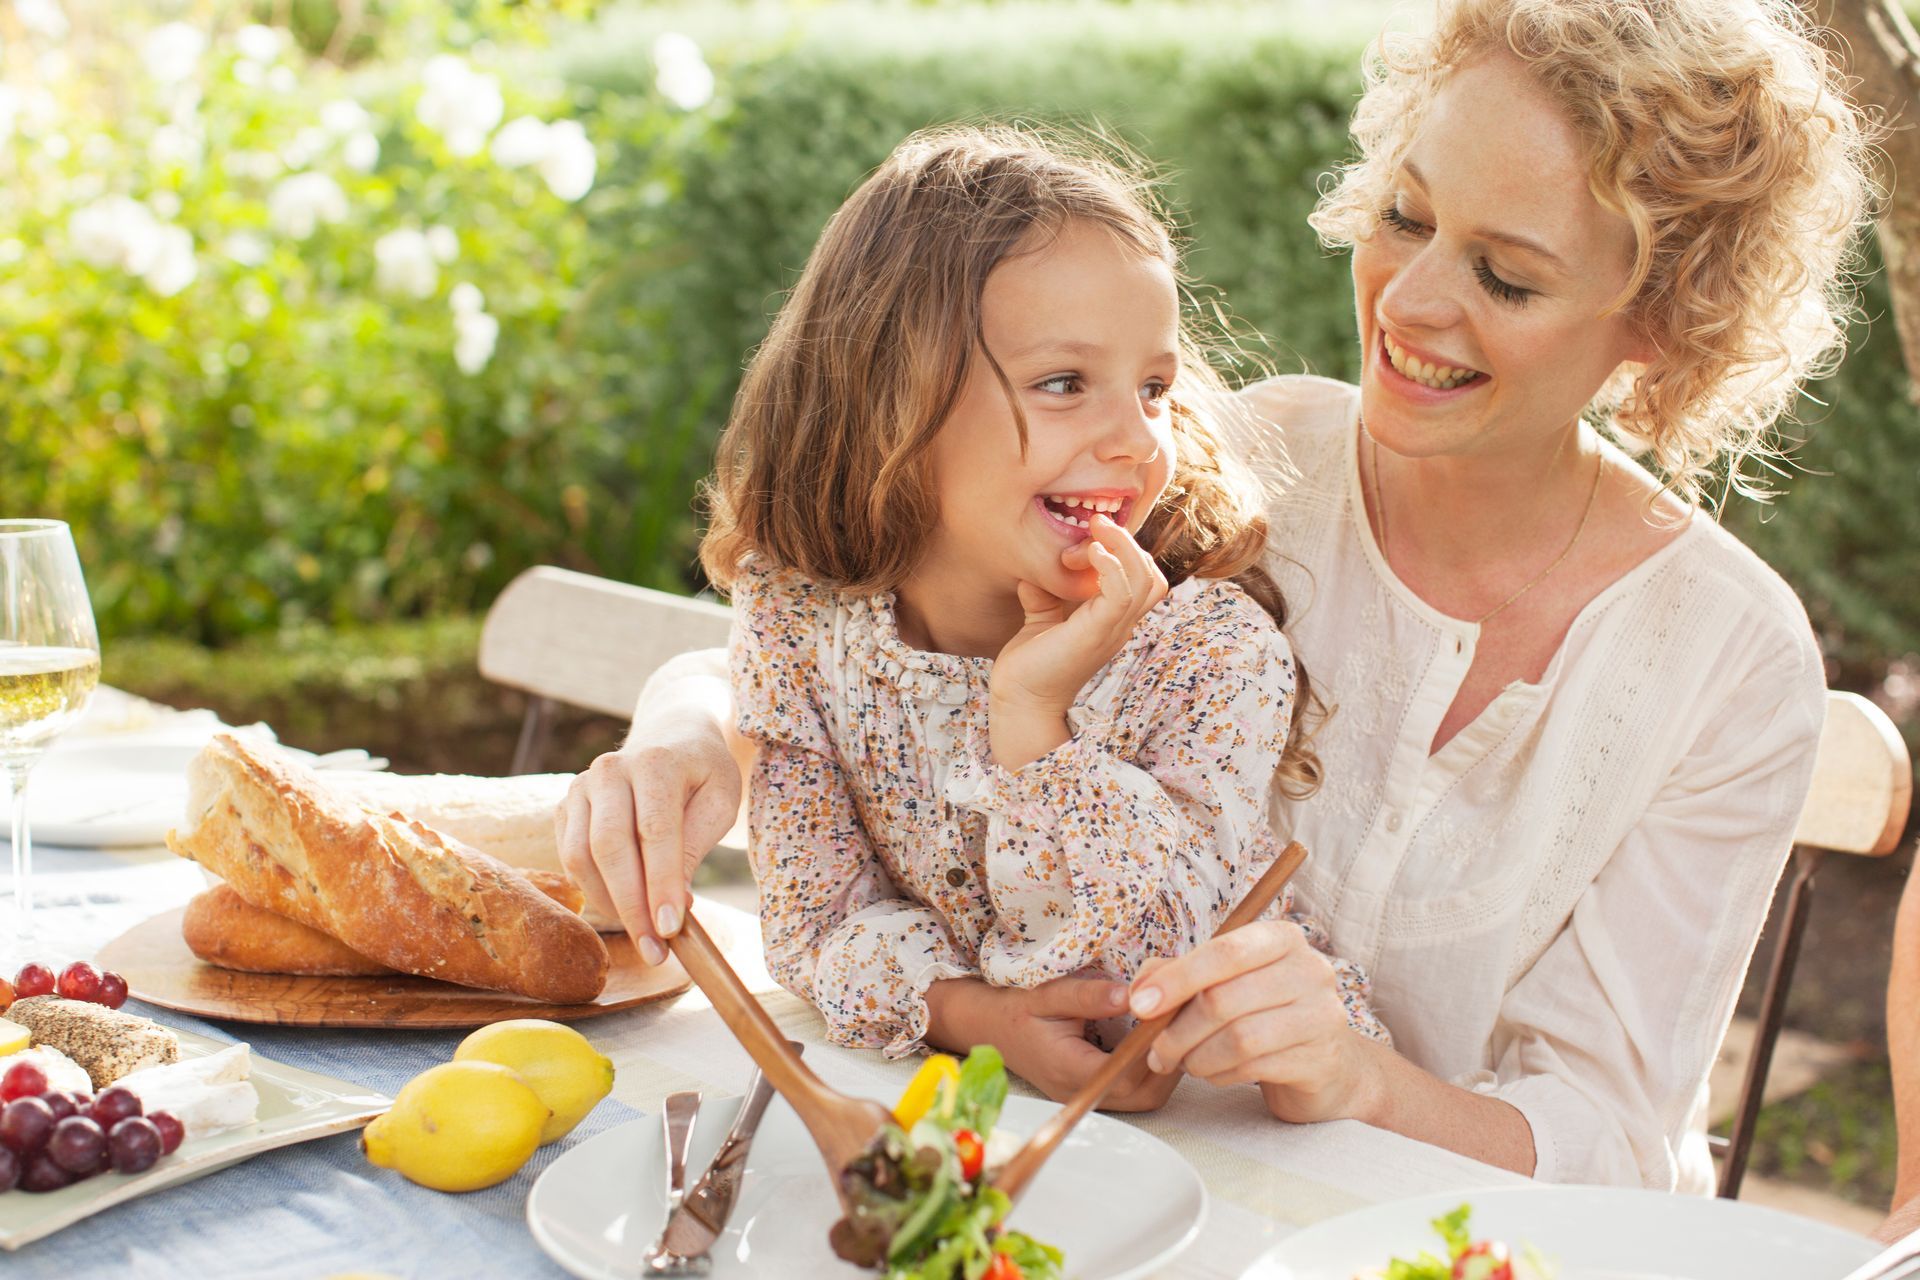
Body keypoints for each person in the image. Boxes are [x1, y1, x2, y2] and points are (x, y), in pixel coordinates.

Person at [558, 0, 1872, 1193]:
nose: (1410, 301)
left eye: (1506, 277)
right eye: (1408, 215)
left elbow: (1618, 1142)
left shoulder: (1726, 657)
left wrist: (1363, 1080)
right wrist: (683, 729)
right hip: (1156, 1193)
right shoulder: (1237, 469)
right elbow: (883, 636)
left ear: (1664, 324)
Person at [685, 127, 1386, 1102]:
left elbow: (1126, 985)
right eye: (1064, 383)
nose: (1139, 438)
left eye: (1153, 386)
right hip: (1006, 1120)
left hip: (1248, 1124)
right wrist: (976, 1017)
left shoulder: (1210, 654)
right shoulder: (804, 616)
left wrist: (1033, 721)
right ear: (893, 397)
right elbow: (812, 923)